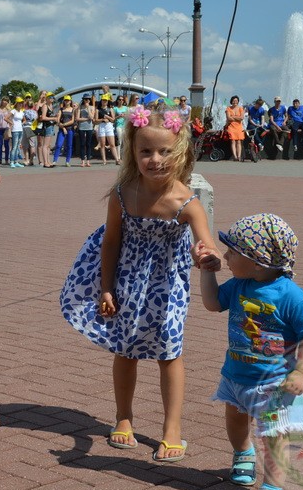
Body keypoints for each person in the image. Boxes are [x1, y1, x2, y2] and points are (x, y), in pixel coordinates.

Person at [60, 104, 219, 462]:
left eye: (164, 151)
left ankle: (172, 428)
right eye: (145, 150)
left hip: (168, 288)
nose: (154, 159)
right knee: (126, 349)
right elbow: (111, 242)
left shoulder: (187, 202)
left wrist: (207, 256)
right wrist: (106, 287)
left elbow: (206, 243)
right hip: (128, 282)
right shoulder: (123, 193)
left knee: (169, 352)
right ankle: (124, 417)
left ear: (180, 152)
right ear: (132, 151)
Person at [193, 213, 303, 490]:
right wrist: (207, 272)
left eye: (233, 253)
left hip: (275, 383)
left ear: (258, 262)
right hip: (236, 375)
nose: (226, 257)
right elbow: (212, 303)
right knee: (236, 422)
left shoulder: (291, 296)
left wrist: (301, 372)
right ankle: (243, 454)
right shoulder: (240, 284)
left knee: (275, 437)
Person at [95, 96, 120, 165]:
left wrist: (107, 117)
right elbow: (96, 120)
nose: (104, 102)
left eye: (106, 100)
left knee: (112, 144)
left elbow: (113, 120)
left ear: (108, 101)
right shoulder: (98, 110)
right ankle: (104, 160)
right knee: (102, 144)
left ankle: (117, 159)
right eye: (103, 100)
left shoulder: (110, 109)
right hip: (102, 125)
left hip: (109, 125)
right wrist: (102, 119)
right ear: (101, 101)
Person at [53, 95, 75, 167]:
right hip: (62, 129)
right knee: (58, 145)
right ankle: (55, 160)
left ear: (70, 101)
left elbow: (72, 121)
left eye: (68, 100)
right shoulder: (61, 109)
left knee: (69, 145)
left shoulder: (73, 110)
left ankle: (67, 161)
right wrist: (63, 127)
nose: (67, 102)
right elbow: (58, 120)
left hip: (70, 129)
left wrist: (64, 124)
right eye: (65, 100)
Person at [76, 93, 95, 167]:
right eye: (86, 99)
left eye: (88, 99)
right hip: (82, 127)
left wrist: (88, 108)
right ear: (83, 100)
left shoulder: (92, 107)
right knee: (82, 144)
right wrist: (86, 119)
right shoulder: (80, 107)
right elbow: (77, 118)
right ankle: (82, 161)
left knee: (88, 144)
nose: (87, 100)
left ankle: (88, 161)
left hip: (89, 127)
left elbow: (92, 117)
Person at [225, 95, 245, 161]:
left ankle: (239, 156)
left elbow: (241, 118)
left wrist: (233, 117)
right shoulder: (228, 108)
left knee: (239, 141)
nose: (235, 102)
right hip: (231, 126)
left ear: (238, 101)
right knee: (233, 141)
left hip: (239, 127)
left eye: (236, 101)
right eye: (233, 101)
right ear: (231, 101)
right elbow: (228, 118)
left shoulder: (240, 108)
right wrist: (237, 118)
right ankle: (235, 156)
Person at [0, 96, 12, 165]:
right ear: (2, 101)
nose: (5, 102)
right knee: (0, 144)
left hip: (6, 128)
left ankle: (6, 160)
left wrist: (10, 127)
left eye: (7, 101)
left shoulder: (9, 110)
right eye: (4, 100)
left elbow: (10, 119)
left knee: (6, 144)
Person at [9, 97, 25, 168]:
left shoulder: (21, 111)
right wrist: (11, 123)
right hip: (15, 130)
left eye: (22, 103)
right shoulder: (13, 111)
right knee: (14, 146)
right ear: (17, 103)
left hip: (20, 130)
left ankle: (16, 161)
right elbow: (6, 118)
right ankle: (12, 162)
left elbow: (24, 120)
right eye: (20, 103)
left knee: (18, 146)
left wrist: (22, 123)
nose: (21, 104)